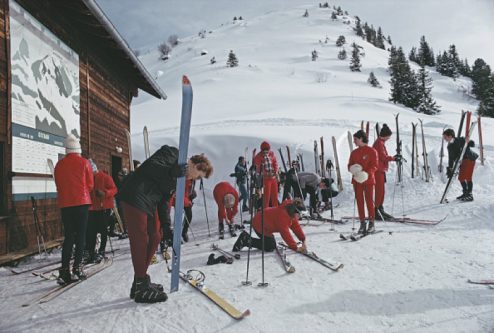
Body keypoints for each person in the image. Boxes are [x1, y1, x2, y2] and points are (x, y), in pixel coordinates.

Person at [118, 146, 213, 303]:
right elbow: (151, 166)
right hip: (135, 194)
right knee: (141, 239)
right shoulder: (172, 153)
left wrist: (166, 227)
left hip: (149, 203)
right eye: (197, 176)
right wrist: (171, 171)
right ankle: (141, 287)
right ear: (196, 166)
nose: (194, 179)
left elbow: (164, 202)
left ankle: (139, 281)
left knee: (156, 236)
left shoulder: (179, 180)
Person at [54, 134, 94, 284]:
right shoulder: (84, 163)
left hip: (65, 204)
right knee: (81, 236)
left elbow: (58, 185)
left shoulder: (59, 165)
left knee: (69, 236)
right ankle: (77, 268)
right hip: (82, 202)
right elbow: (90, 185)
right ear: (78, 149)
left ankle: (64, 271)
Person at [232, 199, 307, 253]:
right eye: (299, 214)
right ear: (294, 211)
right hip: (259, 224)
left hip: (265, 223)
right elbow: (285, 234)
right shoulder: (283, 216)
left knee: (271, 243)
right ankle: (245, 239)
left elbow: (295, 226)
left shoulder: (291, 213)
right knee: (270, 246)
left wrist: (303, 239)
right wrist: (295, 247)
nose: (300, 217)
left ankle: (256, 239)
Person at [85, 160, 118, 263]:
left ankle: (101, 250)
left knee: (103, 230)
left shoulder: (105, 177)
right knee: (91, 231)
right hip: (91, 208)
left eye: (92, 173)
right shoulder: (86, 178)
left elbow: (114, 189)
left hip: (104, 207)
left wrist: (105, 193)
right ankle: (91, 251)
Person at [348, 130, 378, 234]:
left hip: (368, 180)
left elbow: (374, 166)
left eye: (355, 139)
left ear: (361, 138)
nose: (354, 141)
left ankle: (371, 223)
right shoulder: (354, 152)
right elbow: (349, 165)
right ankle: (362, 223)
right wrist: (352, 168)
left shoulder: (372, 151)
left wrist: (366, 174)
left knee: (369, 201)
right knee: (360, 202)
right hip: (357, 181)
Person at [372, 124, 401, 219]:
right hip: (377, 170)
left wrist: (393, 157)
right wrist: (394, 158)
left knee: (382, 191)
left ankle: (380, 209)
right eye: (389, 136)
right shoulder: (379, 143)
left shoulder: (380, 142)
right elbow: (383, 157)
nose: (389, 138)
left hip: (381, 170)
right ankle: (376, 211)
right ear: (385, 135)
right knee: (379, 191)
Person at [443, 128, 478, 201]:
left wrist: (470, 143)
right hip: (462, 162)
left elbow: (469, 142)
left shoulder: (460, 140)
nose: (444, 139)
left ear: (450, 136)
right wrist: (450, 168)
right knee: (461, 178)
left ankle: (470, 195)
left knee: (467, 177)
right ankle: (465, 193)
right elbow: (451, 158)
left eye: (445, 137)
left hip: (469, 159)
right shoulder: (449, 146)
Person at [253, 141, 279, 208]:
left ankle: (275, 212)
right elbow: (258, 168)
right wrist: (266, 173)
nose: (266, 152)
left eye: (267, 151)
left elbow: (275, 163)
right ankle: (265, 213)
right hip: (265, 179)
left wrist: (276, 171)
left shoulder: (271, 154)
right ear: (262, 150)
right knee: (266, 197)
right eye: (264, 151)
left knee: (275, 197)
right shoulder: (258, 157)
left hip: (273, 178)